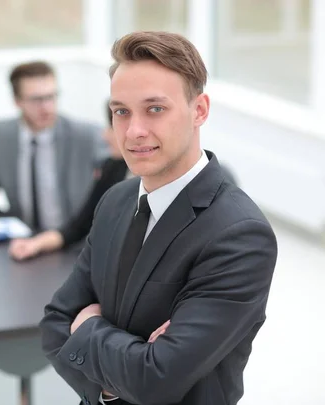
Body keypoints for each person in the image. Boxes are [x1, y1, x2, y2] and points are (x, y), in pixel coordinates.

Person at [39, 31, 277, 405]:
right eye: (121, 112)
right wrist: (115, 380)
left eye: (155, 109)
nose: (134, 131)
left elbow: (157, 380)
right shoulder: (115, 201)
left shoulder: (239, 234)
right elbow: (54, 326)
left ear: (199, 110)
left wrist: (86, 328)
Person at [0, 61, 108, 232]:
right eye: (37, 100)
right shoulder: (2, 133)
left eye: (51, 97)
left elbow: (119, 180)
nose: (46, 107)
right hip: (24, 240)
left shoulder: (86, 135)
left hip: (73, 244)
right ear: (17, 101)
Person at [9, 101, 129, 260]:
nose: (104, 135)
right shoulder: (112, 167)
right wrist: (35, 244)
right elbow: (80, 226)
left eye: (110, 128)